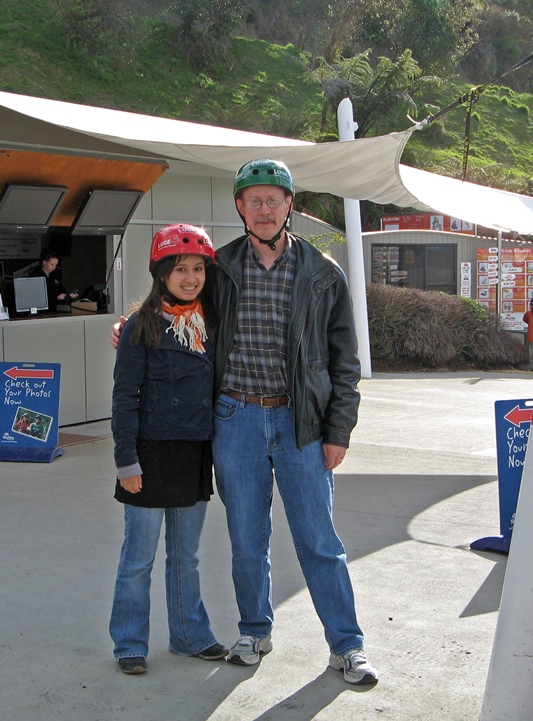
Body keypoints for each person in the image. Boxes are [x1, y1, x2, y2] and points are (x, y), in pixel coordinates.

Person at [111, 159, 377, 685]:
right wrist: (132, 321)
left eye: (272, 199)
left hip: (301, 423)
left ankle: (346, 645)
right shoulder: (219, 267)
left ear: (289, 206)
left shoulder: (324, 274)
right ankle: (254, 629)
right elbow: (174, 298)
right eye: (252, 199)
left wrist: (339, 430)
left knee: (319, 540)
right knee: (246, 537)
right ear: (239, 206)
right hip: (234, 419)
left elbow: (345, 361)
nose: (262, 208)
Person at [109, 223, 227, 675]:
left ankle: (189, 636)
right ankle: (129, 644)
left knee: (186, 557)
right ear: (161, 273)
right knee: (138, 559)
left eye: (198, 268)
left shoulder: (210, 323)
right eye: (180, 269)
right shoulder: (141, 325)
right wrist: (125, 460)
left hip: (193, 453)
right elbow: (125, 397)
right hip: (149, 454)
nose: (191, 277)